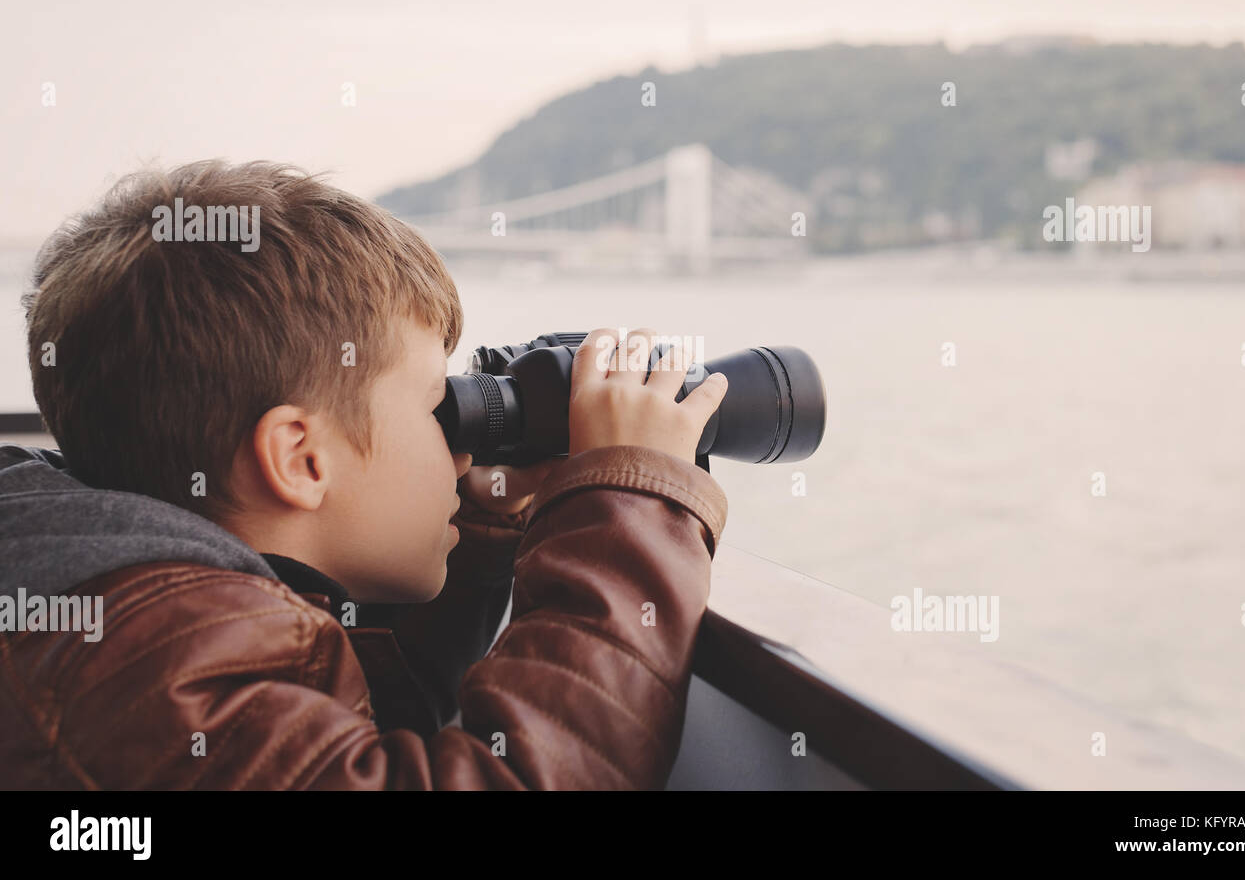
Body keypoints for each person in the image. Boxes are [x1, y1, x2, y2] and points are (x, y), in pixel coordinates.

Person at [0, 160, 728, 789]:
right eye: (435, 406)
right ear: (301, 459)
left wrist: (478, 533)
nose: (463, 448)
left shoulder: (114, 591)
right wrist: (629, 496)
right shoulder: (155, 664)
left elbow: (327, 754)